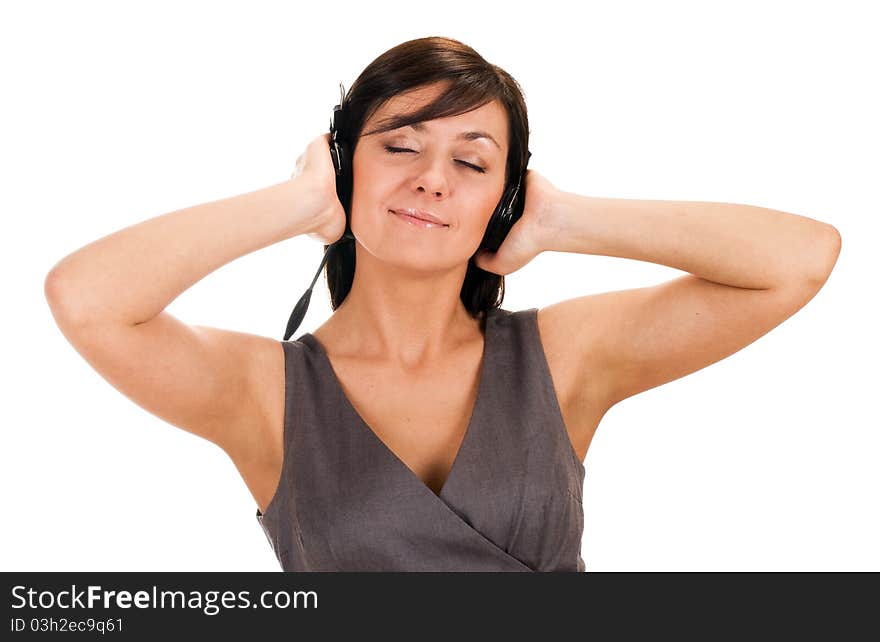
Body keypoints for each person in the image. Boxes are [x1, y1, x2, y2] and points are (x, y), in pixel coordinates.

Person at [43, 36, 841, 572]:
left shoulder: (563, 357)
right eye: (399, 146)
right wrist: (300, 203)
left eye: (472, 162)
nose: (432, 179)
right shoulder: (265, 391)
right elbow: (86, 299)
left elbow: (799, 260)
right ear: (344, 162)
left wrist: (566, 220)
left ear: (505, 197)